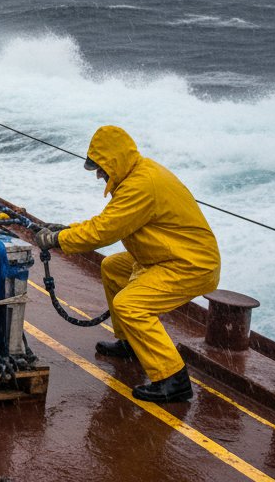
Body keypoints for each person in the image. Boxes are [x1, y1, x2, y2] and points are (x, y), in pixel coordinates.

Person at [34, 125, 220, 403]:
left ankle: (173, 379)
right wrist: (66, 230)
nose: (99, 174)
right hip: (166, 255)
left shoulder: (141, 186)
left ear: (114, 161)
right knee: (112, 268)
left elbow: (104, 231)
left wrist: (57, 240)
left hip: (190, 264)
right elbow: (106, 222)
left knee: (130, 306)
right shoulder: (137, 175)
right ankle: (131, 343)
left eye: (100, 167)